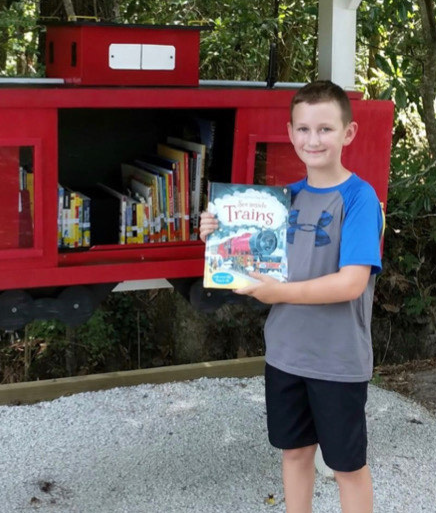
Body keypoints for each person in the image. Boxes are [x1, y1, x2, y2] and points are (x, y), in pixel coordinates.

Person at [199, 80, 383, 513]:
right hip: (285, 354)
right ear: (290, 132)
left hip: (338, 362)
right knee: (295, 453)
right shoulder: (281, 201)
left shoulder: (359, 198)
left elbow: (351, 283)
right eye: (303, 129)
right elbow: (247, 265)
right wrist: (217, 233)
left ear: (348, 133)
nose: (313, 139)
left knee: (346, 467)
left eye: (325, 129)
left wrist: (278, 292)